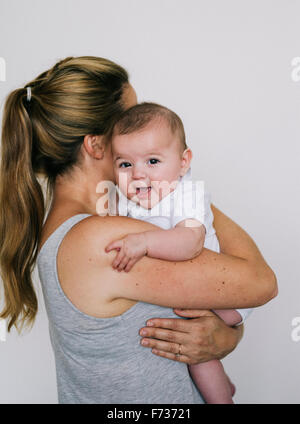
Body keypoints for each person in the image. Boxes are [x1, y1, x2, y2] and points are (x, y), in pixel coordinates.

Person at [0, 56, 277, 404]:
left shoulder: (96, 222)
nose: (141, 127)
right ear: (97, 145)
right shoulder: (98, 238)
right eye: (129, 118)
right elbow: (261, 282)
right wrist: (179, 185)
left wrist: (226, 337)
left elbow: (212, 315)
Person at [104, 102, 252, 403]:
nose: (138, 175)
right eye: (125, 164)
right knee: (193, 350)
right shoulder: (124, 200)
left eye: (153, 161)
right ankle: (224, 386)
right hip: (186, 294)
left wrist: (144, 242)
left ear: (184, 162)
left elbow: (190, 242)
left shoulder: (187, 193)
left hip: (224, 299)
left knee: (196, 355)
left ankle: (222, 399)